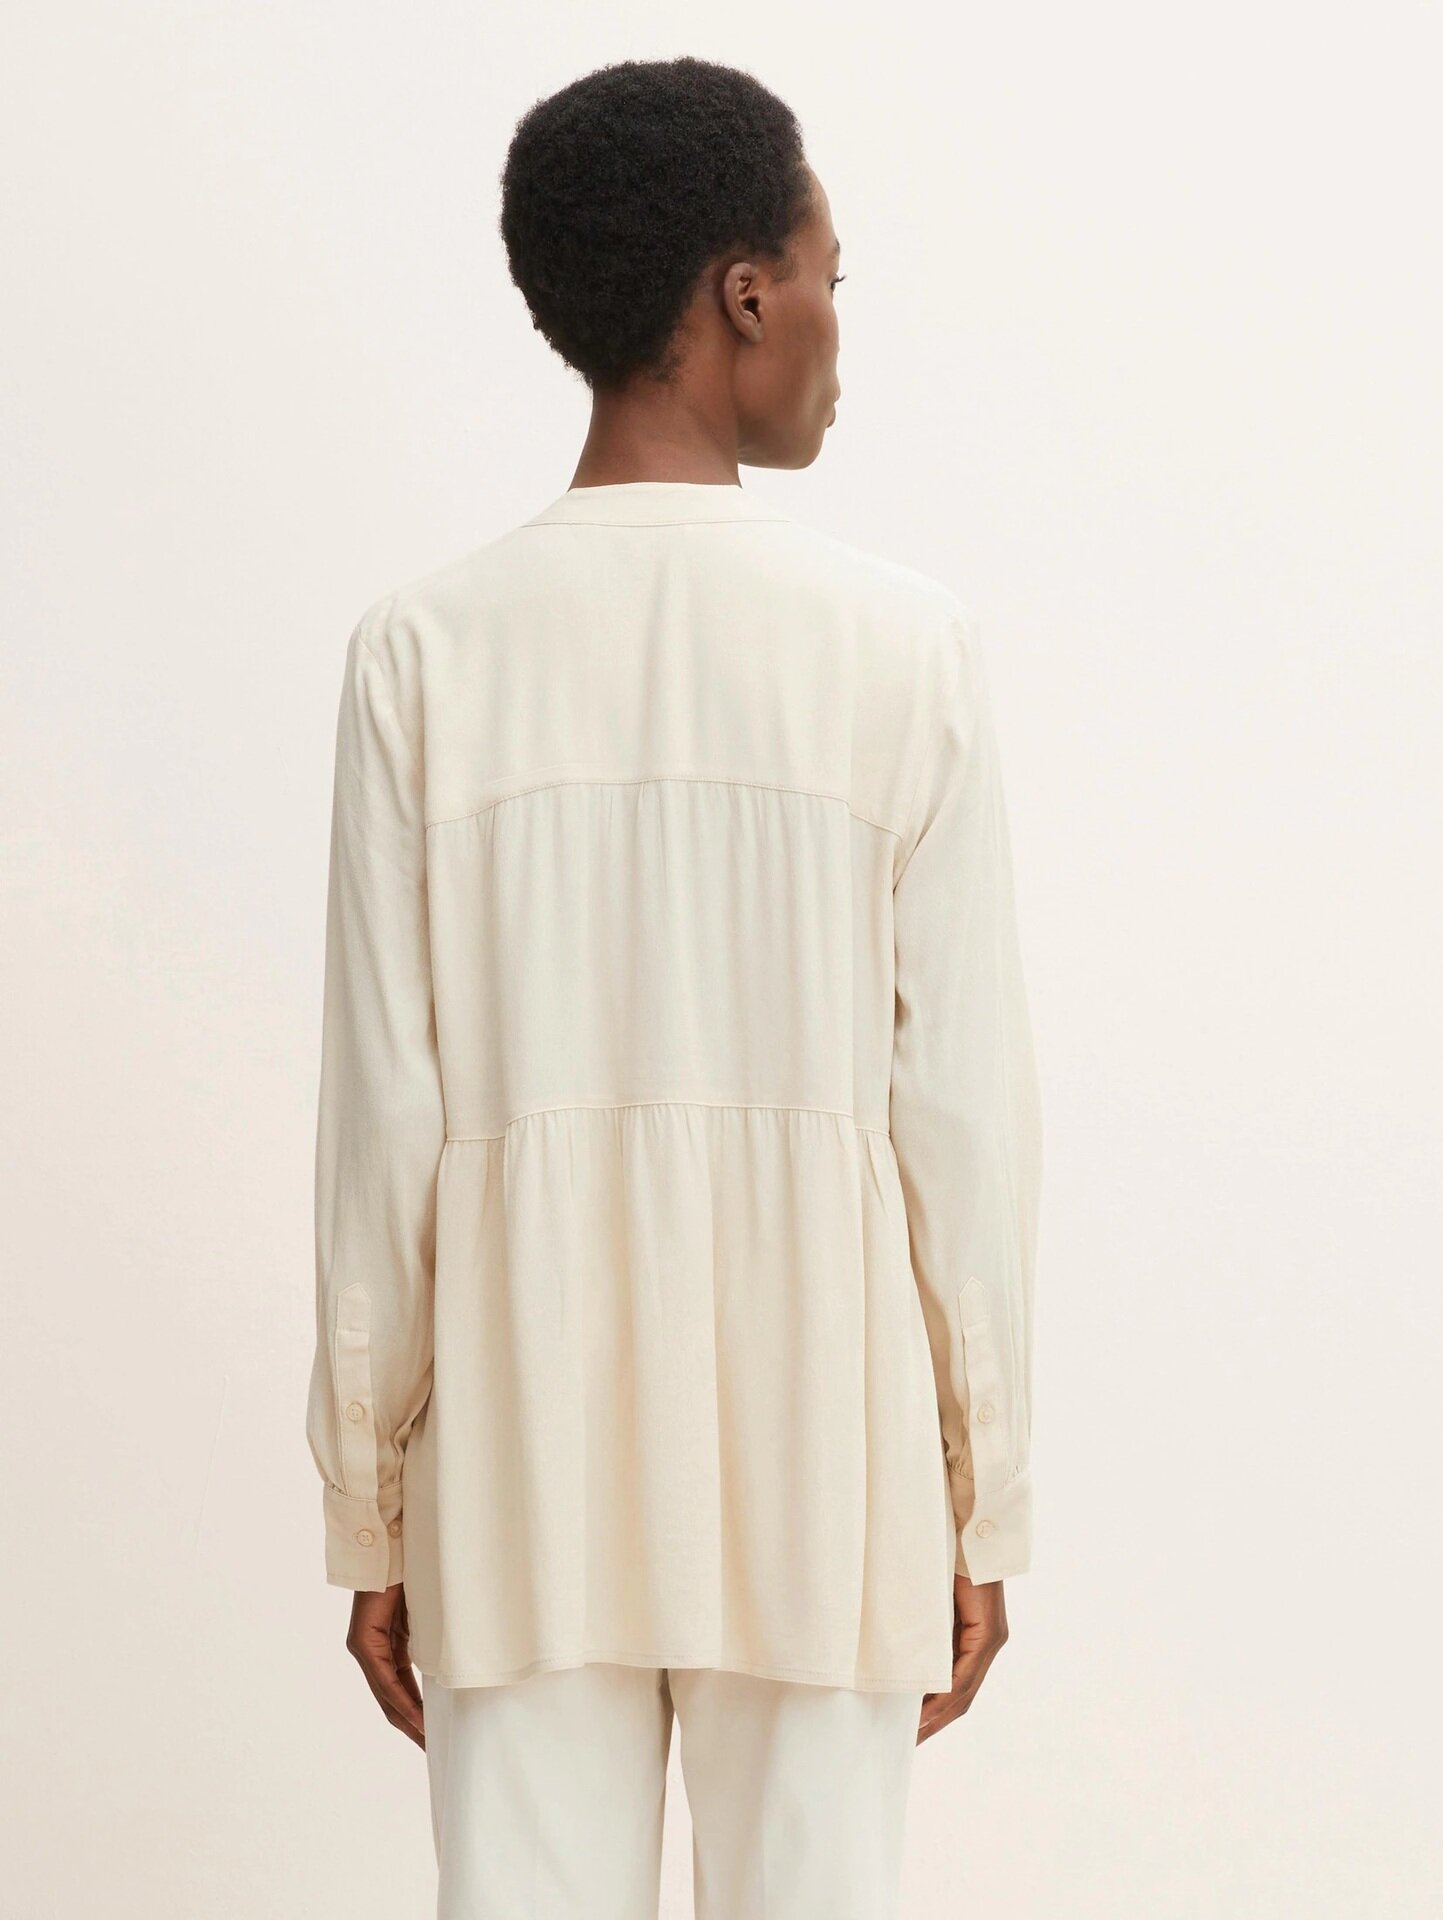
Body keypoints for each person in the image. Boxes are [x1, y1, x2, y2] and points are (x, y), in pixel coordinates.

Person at [305, 54, 1042, 1920]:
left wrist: (372, 1506)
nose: (840, 331)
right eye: (830, 278)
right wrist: (982, 1492)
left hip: (520, 1458)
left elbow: (381, 1133)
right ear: (744, 296)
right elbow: (962, 1125)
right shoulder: (903, 651)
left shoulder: (423, 656)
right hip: (827, 1454)